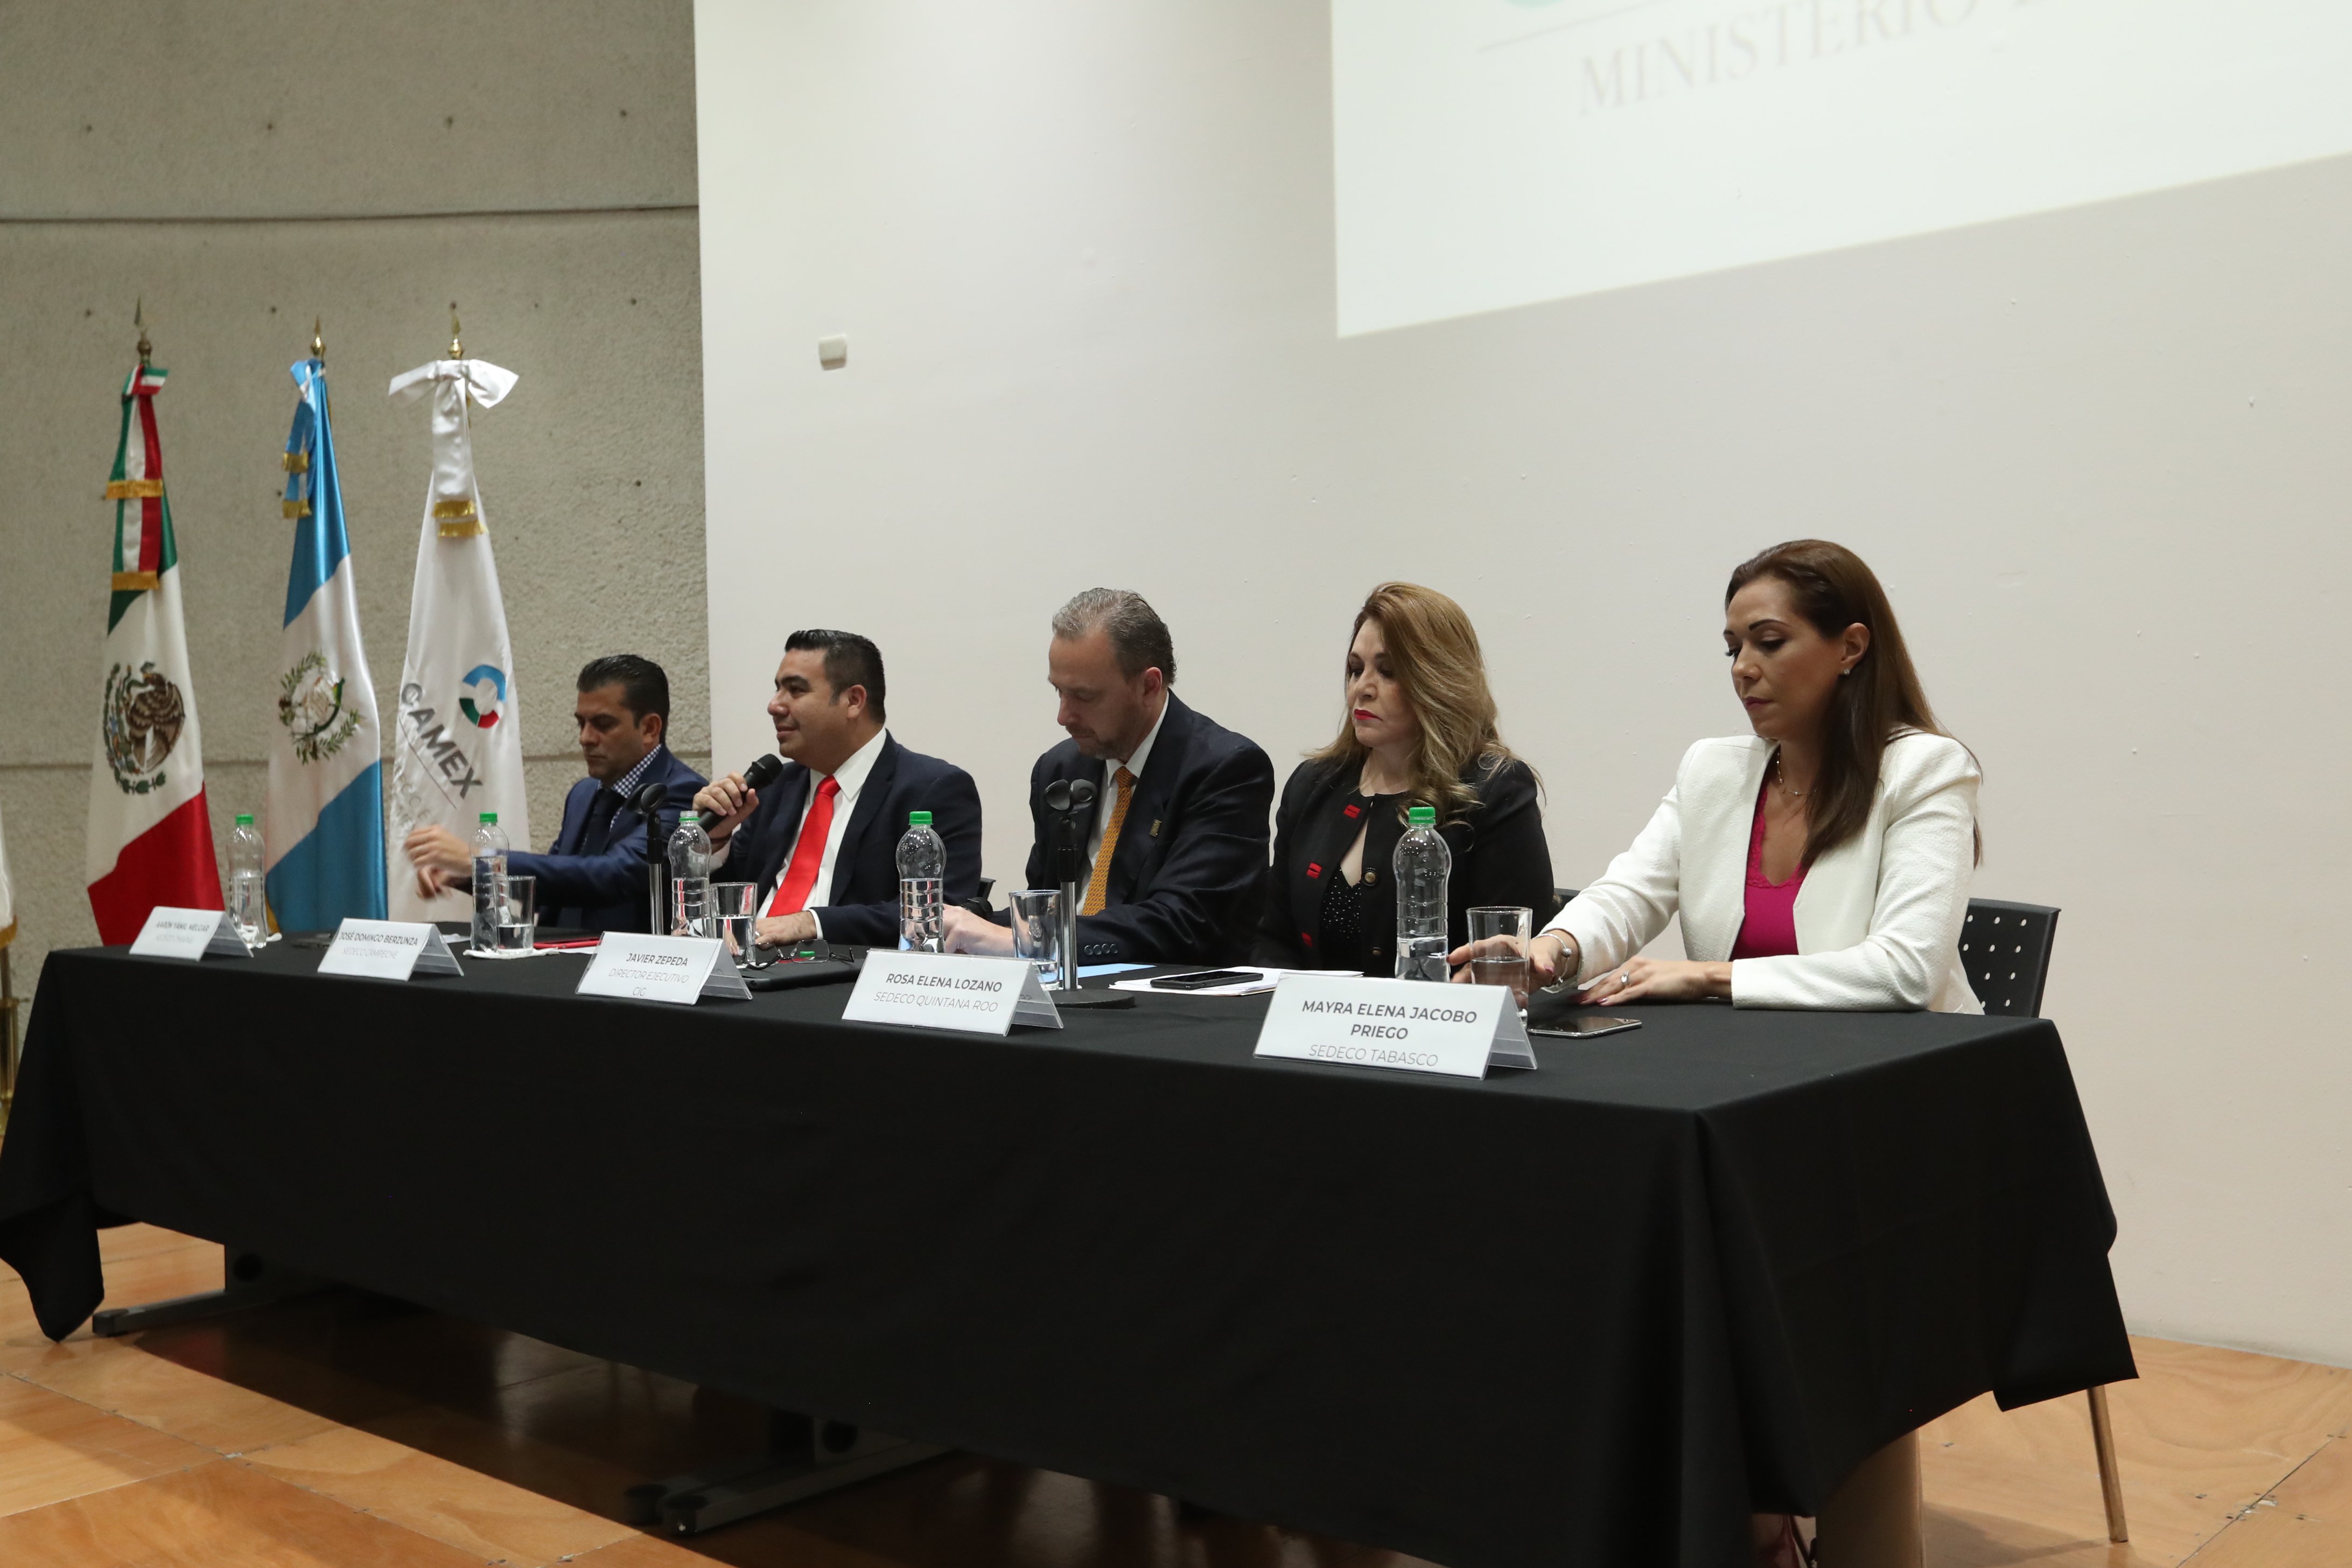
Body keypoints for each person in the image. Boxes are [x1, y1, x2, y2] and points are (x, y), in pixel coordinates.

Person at [1460, 538, 1981, 1568]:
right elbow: (1625, 892)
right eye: (1731, 646)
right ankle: (1722, 1513)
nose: (1741, 668)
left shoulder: (1923, 768)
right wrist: (1548, 949)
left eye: (1768, 642)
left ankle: (1782, 1519)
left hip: (1890, 1118)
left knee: (1777, 1285)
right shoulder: (1714, 769)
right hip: (1749, 1108)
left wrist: (1704, 976)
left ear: (1849, 647)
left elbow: (1903, 969)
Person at [939, 589, 1273, 966]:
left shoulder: (1224, 769)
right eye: (1058, 692)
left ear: (1149, 685)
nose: (1063, 716)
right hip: (1063, 986)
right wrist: (963, 924)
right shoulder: (1058, 769)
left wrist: (1027, 939)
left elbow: (1183, 923)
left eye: (1083, 696)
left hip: (1165, 1003)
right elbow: (1045, 905)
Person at [1254, 583, 1552, 976]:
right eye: (1356, 669)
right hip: (1316, 1027)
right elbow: (1273, 939)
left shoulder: (1494, 789)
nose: (1362, 688)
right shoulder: (1314, 785)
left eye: (1388, 672)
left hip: (1439, 1025)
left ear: (1438, 681)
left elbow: (1508, 952)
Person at [692, 629, 981, 950]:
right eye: (777, 690)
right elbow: (734, 901)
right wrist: (717, 841)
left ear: (853, 701)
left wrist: (809, 922)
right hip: (753, 971)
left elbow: (941, 913)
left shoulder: (933, 788)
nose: (775, 706)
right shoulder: (775, 788)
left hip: (842, 981)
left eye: (796, 690)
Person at [401, 654, 703, 932]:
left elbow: (616, 874)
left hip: (631, 975)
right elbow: (558, 880)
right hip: (558, 968)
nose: (585, 738)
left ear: (649, 728)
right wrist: (470, 875)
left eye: (602, 724)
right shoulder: (584, 794)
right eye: (581, 723)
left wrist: (485, 861)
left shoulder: (682, 792)